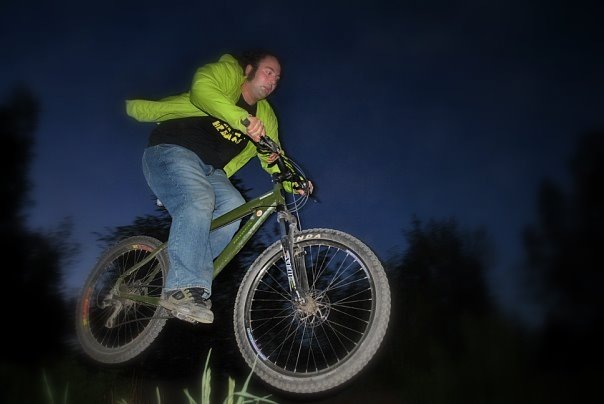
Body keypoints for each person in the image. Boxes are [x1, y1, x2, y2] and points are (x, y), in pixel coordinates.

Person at [125, 50, 308, 324]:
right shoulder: (227, 75)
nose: (273, 81)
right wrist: (242, 119)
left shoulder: (266, 115)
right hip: (171, 150)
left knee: (234, 207)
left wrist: (294, 179)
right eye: (268, 72)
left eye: (277, 78)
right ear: (249, 70)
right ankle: (182, 287)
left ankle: (186, 271)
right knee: (200, 199)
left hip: (211, 171)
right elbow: (202, 91)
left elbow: (272, 155)